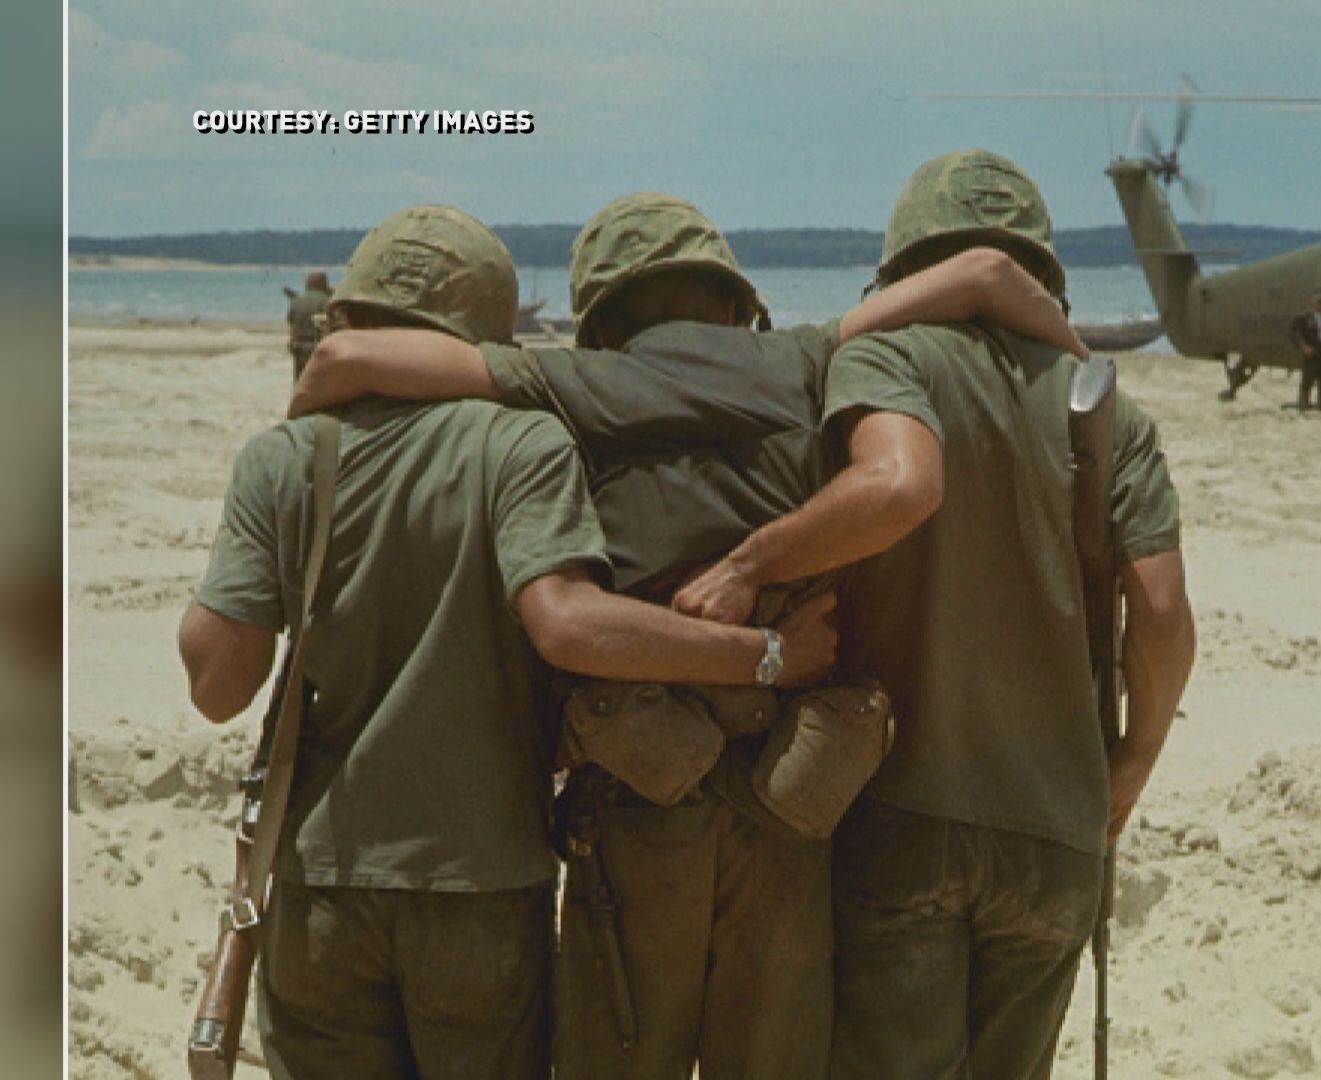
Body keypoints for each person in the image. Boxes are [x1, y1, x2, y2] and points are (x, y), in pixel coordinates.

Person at [289, 192, 1089, 1080]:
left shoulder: (578, 380)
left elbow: (345, 356)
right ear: (732, 299)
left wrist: (304, 418)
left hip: (641, 790)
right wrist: (1074, 360)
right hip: (792, 790)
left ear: (602, 316)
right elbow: (986, 273)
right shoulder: (803, 357)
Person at [178, 204, 836, 1080]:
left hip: (321, 878)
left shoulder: (284, 458)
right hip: (485, 876)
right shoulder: (523, 444)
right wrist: (765, 656)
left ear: (351, 315)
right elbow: (566, 621)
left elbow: (219, 686)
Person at [673, 148, 1197, 1079]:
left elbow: (891, 489)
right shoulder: (1114, 416)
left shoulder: (888, 356)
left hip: (906, 811)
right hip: (1057, 827)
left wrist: (750, 563)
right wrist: (1132, 763)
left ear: (903, 268)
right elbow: (1159, 616)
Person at [1289, 288, 1321, 410]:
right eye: (1318, 301)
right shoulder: (1305, 317)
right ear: (1313, 302)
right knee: (1307, 381)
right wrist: (1303, 346)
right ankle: (1303, 403)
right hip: (1311, 353)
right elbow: (1294, 333)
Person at [284, 271, 331, 378]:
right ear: (324, 284)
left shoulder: (296, 301)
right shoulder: (326, 301)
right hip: (317, 349)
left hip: (297, 348)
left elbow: (291, 322)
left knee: (300, 381)